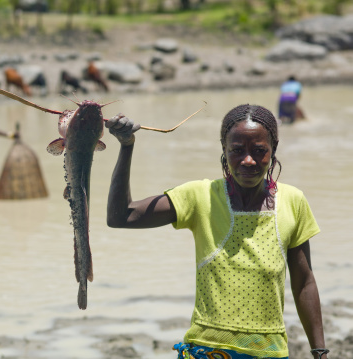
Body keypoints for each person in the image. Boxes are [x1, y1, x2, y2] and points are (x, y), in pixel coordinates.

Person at [105, 104, 327, 359]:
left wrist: (319, 351)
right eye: (236, 150)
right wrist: (126, 146)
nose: (247, 160)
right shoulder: (201, 197)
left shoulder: (293, 201)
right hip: (206, 350)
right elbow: (121, 216)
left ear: (273, 150)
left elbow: (304, 282)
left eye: (259, 151)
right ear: (223, 149)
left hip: (269, 352)